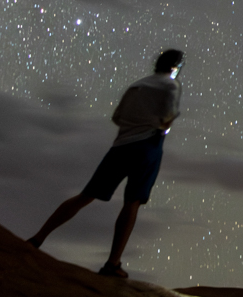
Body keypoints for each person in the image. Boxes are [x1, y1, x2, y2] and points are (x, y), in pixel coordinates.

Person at [28, 48, 184, 278]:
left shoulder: (136, 85)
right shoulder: (171, 85)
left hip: (120, 145)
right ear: (175, 66)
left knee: (86, 196)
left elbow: (117, 117)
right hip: (148, 146)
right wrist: (160, 125)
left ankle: (38, 237)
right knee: (132, 202)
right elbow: (168, 116)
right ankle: (113, 263)